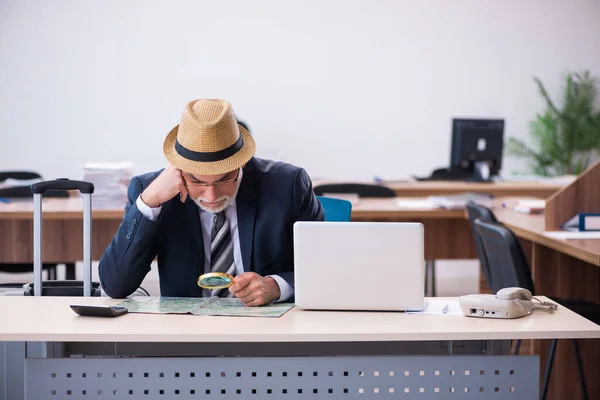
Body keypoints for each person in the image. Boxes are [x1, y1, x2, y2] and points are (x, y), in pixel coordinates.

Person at [98, 99, 324, 305]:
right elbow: (116, 285)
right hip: (185, 336)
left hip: (266, 332)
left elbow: (322, 269)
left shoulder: (288, 185)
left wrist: (276, 286)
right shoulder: (152, 192)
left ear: (242, 163)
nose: (211, 196)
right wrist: (149, 202)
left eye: (224, 178)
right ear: (179, 170)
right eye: (197, 181)